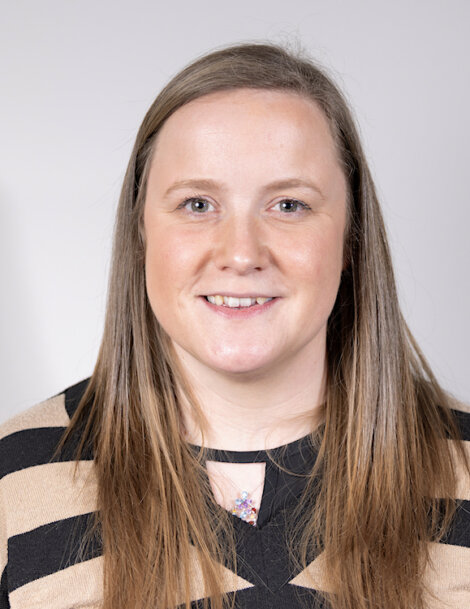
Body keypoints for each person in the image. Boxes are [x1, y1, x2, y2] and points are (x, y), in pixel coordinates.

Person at [0, 42, 469, 609]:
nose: (241, 253)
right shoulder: (14, 475)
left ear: (351, 237)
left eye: (289, 205)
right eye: (197, 204)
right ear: (141, 233)